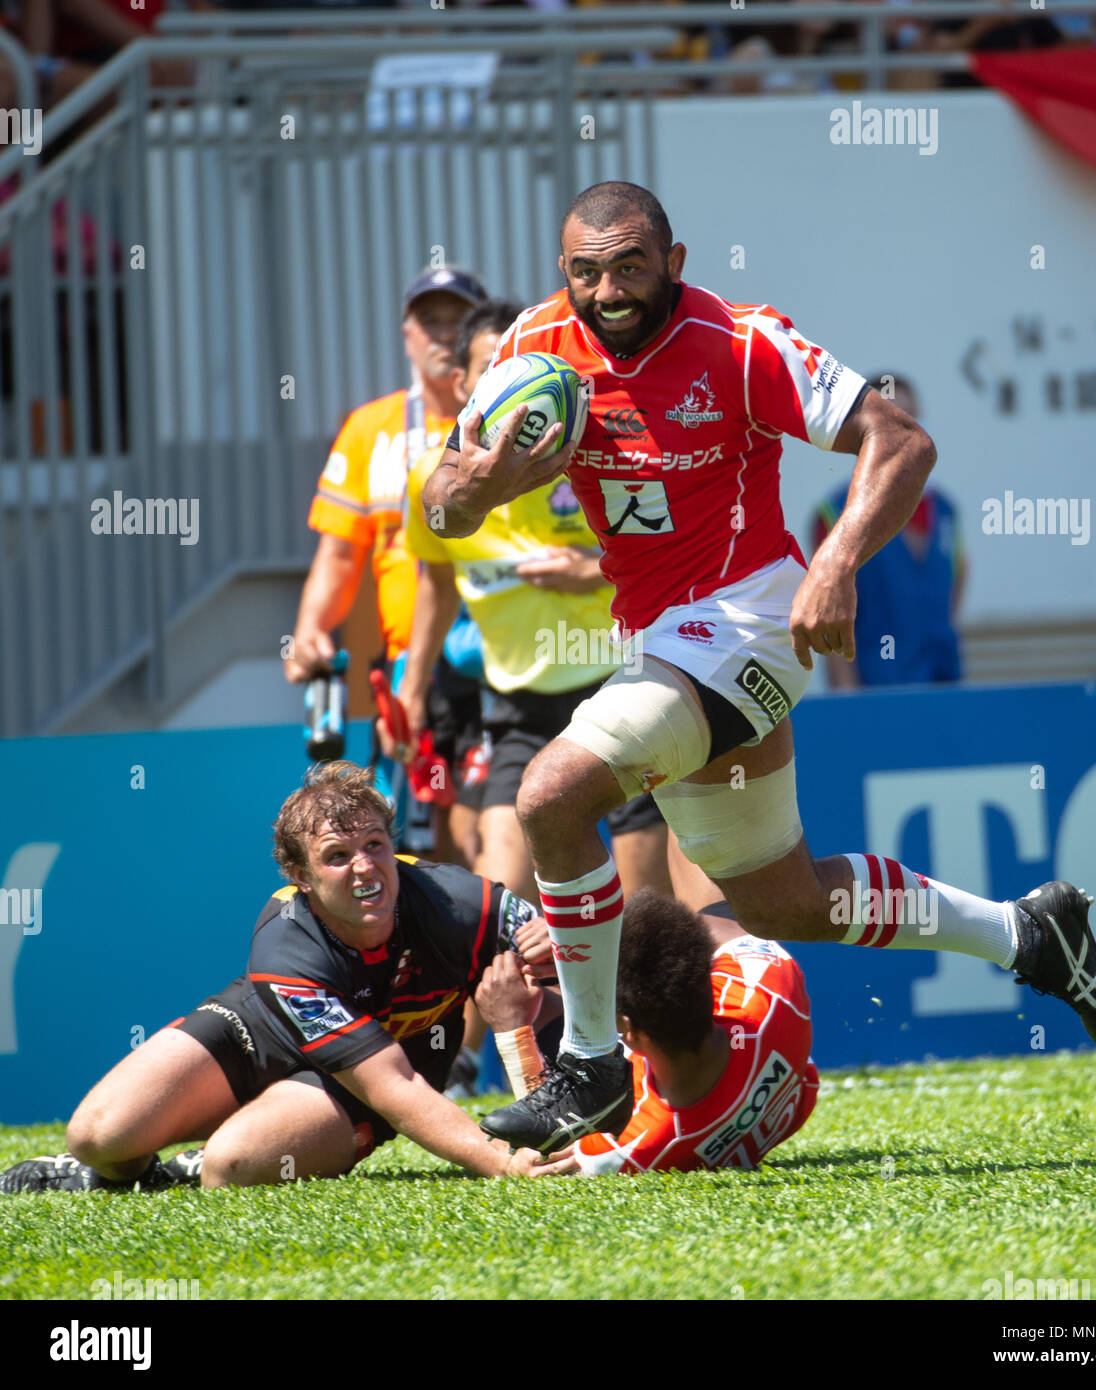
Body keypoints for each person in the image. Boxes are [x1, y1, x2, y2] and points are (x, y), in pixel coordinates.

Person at [421, 180, 1096, 1153]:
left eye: (630, 266)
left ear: (674, 262)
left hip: (752, 618)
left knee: (549, 795)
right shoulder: (533, 352)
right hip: (662, 639)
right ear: (563, 274)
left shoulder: (742, 342)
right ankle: (1024, 933)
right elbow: (440, 507)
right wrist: (484, 484)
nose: (607, 290)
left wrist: (836, 563)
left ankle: (586, 1067)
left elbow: (901, 442)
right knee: (776, 896)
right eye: (586, 272)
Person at [0, 763, 572, 1193]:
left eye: (375, 845)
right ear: (301, 876)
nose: (366, 868)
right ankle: (109, 1175)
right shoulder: (284, 940)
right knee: (97, 1135)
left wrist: (558, 945)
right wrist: (500, 1160)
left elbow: (582, 981)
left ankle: (196, 1164)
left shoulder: (465, 903)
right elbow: (391, 1087)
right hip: (267, 1033)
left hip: (372, 1073)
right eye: (337, 856)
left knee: (232, 1166)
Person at [401, 298, 672, 906]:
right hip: (519, 708)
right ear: (465, 385)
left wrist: (594, 570)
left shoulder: (597, 461)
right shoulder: (435, 483)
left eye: (524, 361)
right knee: (500, 906)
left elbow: (672, 559)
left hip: (619, 686)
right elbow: (437, 584)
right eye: (495, 366)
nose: (514, 379)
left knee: (647, 904)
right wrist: (413, 688)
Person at [285, 266, 489, 863]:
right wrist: (309, 630)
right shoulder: (369, 430)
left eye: (458, 320)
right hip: (412, 674)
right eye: (430, 320)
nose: (443, 333)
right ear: (406, 334)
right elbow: (340, 551)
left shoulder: (509, 418)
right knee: (425, 841)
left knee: (492, 830)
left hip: (509, 659)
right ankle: (461, 955)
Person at [476, 889, 819, 1173]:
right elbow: (706, 921)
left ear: (625, 1027)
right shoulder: (774, 987)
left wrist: (512, 1028)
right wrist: (587, 942)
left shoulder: (619, 1148)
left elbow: (534, 1156)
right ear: (706, 972)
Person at [810, 374, 966, 689]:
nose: (903, 432)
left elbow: (958, 574)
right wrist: (849, 703)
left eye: (910, 418)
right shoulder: (834, 513)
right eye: (891, 420)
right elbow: (827, 615)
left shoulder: (946, 510)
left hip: (944, 687)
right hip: (875, 692)